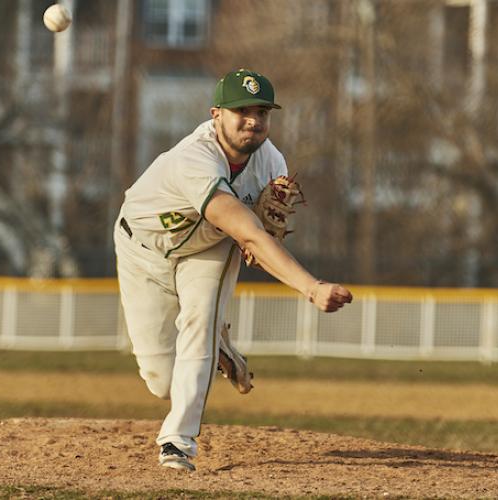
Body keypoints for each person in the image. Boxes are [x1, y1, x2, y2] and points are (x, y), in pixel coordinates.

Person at [113, 69, 353, 472]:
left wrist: (258, 239)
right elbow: (248, 229)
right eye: (241, 110)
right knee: (159, 378)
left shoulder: (272, 161)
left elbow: (261, 234)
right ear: (216, 114)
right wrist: (311, 288)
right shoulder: (194, 158)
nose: (253, 120)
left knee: (199, 323)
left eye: (262, 111)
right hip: (143, 250)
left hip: (209, 248)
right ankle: (218, 349)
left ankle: (178, 441)